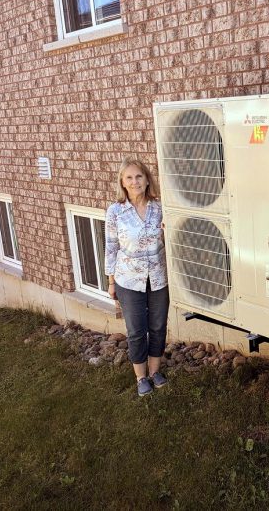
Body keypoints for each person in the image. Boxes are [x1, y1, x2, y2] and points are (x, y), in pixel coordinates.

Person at [105, 157, 170, 397]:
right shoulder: (115, 212)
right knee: (136, 330)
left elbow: (170, 239)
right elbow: (111, 248)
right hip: (128, 280)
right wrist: (111, 282)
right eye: (129, 177)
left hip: (158, 278)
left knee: (158, 326)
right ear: (122, 182)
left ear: (147, 179)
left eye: (139, 176)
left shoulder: (159, 207)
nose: (135, 182)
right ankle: (140, 377)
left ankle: (155, 371)